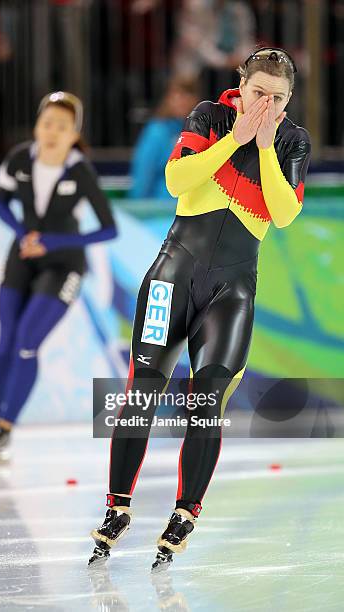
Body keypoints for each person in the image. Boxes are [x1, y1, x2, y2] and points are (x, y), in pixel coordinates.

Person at [89, 48, 311, 570]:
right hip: (172, 276)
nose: (267, 104)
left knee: (206, 399)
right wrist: (234, 141)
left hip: (230, 291)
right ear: (242, 85)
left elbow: (282, 214)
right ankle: (117, 506)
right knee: (141, 392)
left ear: (289, 100)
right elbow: (175, 182)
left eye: (278, 98)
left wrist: (262, 147)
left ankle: (186, 512)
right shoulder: (210, 116)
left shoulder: (292, 141)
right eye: (259, 93)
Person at [0, 91, 117, 463]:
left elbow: (108, 230)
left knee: (27, 342)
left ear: (73, 134)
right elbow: (0, 201)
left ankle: (4, 427)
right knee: (5, 341)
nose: (52, 132)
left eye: (62, 127)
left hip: (64, 265)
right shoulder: (20, 159)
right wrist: (22, 233)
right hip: (23, 255)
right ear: (37, 126)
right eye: (47, 123)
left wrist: (52, 242)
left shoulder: (80, 170)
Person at [129, 77, 200, 199]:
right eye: (178, 94)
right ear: (168, 99)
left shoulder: (202, 132)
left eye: (188, 94)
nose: (182, 100)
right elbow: (143, 174)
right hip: (160, 212)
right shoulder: (156, 132)